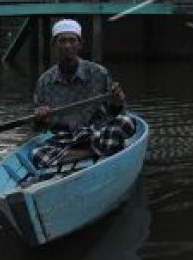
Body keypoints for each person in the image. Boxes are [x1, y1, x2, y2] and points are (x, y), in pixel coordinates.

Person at [31, 19, 132, 170]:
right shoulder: (44, 81)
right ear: (54, 44)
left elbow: (116, 113)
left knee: (126, 122)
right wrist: (41, 118)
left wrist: (118, 102)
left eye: (72, 41)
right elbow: (40, 129)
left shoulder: (99, 73)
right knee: (37, 154)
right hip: (65, 139)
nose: (67, 46)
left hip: (96, 132)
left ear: (80, 44)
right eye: (62, 41)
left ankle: (80, 153)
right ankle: (92, 152)